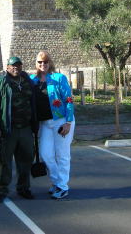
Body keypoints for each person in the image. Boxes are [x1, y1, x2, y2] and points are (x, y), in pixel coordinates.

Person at [0, 56, 38, 203]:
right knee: (2, 161)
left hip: (26, 129)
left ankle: (23, 188)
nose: (16, 68)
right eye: (13, 66)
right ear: (7, 68)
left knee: (26, 160)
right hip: (7, 130)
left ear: (22, 67)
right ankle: (1, 190)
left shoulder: (28, 83)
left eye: (18, 65)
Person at [30, 51, 75, 199]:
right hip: (45, 123)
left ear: (50, 63)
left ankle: (63, 186)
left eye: (45, 62)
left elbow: (68, 99)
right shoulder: (33, 80)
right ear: (36, 63)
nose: (43, 65)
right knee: (45, 154)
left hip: (61, 120)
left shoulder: (59, 78)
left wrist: (68, 122)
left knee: (62, 155)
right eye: (39, 62)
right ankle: (57, 182)